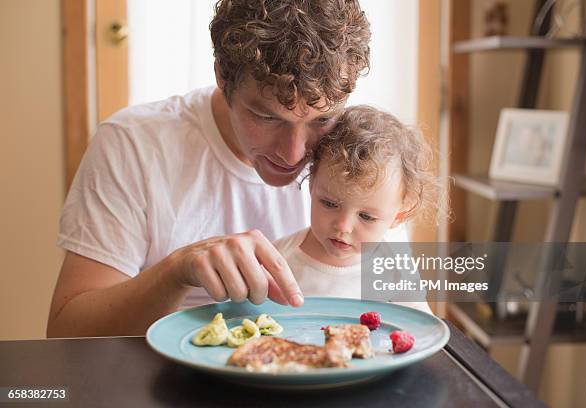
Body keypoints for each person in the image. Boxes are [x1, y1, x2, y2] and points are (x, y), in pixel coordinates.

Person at [47, 0, 371, 337]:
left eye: (322, 119)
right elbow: (66, 333)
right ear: (221, 76)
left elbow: (409, 318)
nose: (293, 154)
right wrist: (176, 272)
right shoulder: (133, 144)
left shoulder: (361, 155)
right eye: (266, 117)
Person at [273, 106, 439, 314]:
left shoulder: (394, 270)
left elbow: (422, 328)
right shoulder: (278, 259)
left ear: (399, 216)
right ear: (312, 184)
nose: (343, 226)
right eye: (330, 204)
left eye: (366, 216)